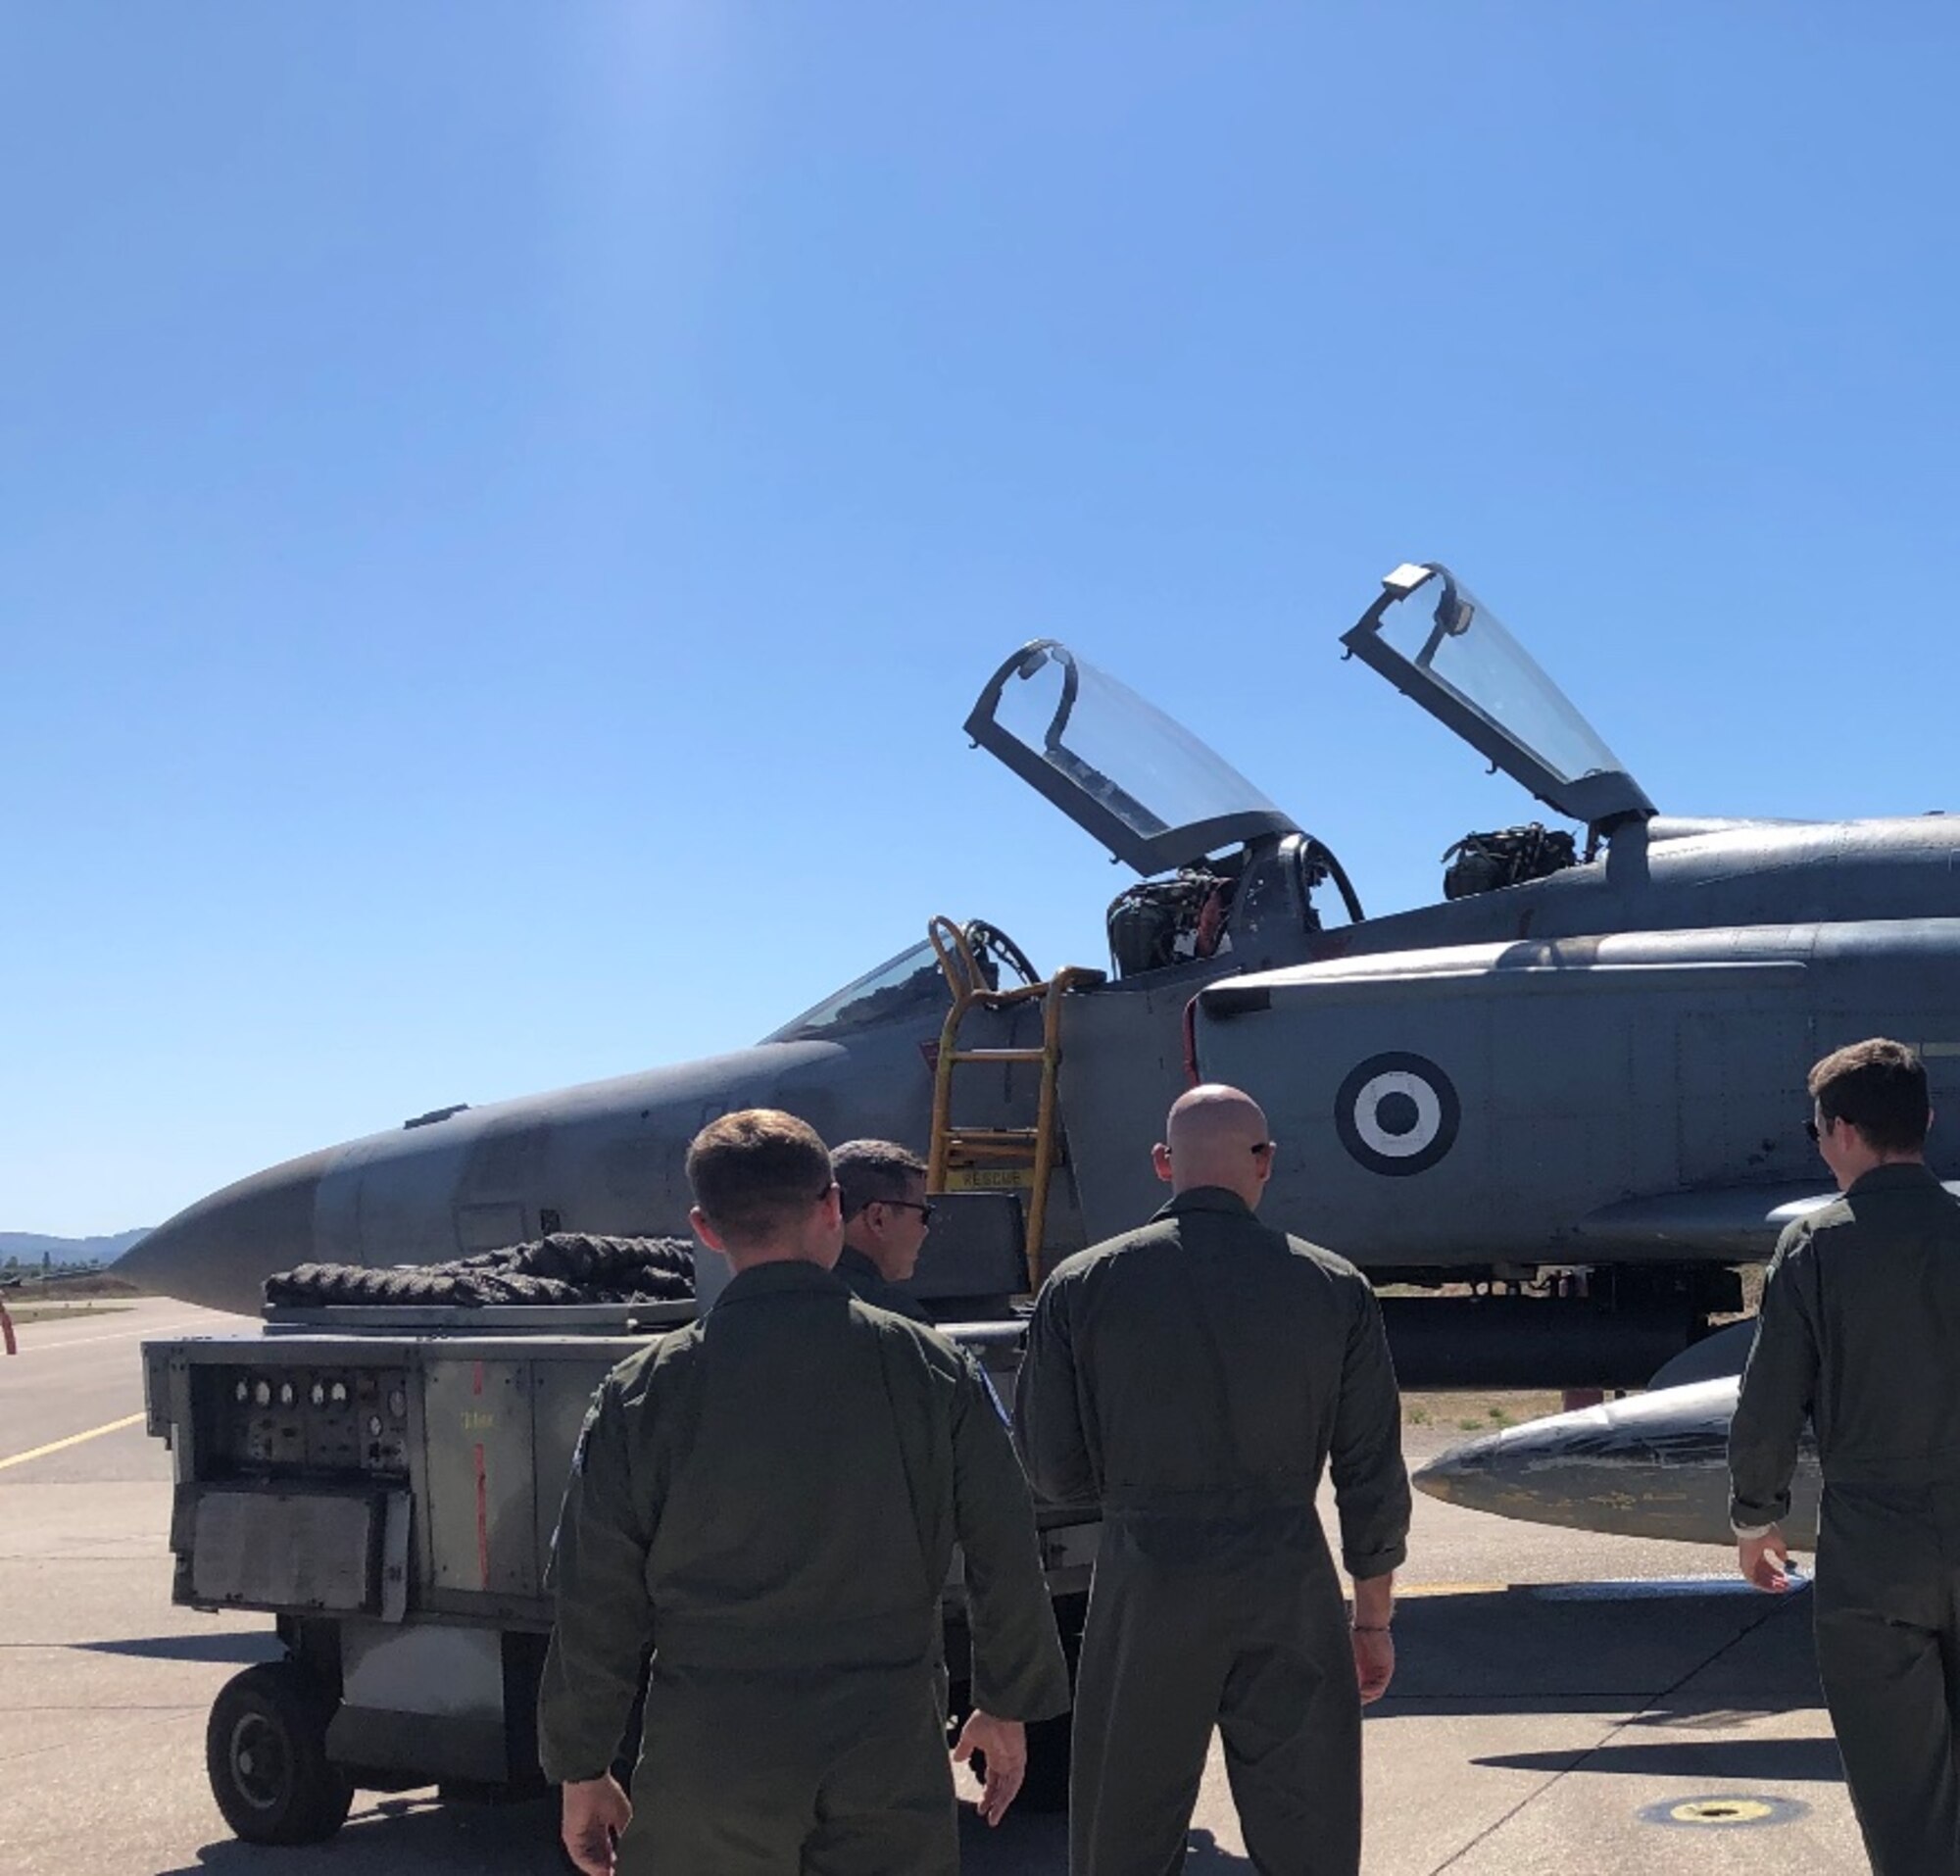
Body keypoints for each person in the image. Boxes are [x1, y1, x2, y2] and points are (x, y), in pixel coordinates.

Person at [538, 1109, 1070, 1876]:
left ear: (705, 1228)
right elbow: (1004, 1542)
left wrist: (582, 1767)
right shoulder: (932, 1370)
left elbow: (594, 1597)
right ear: (832, 1207)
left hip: (711, 1748)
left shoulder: (642, 1392)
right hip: (885, 1742)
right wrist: (1005, 1703)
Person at [1014, 1083, 1409, 1876]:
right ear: (1264, 1162)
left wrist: (1136, 1484)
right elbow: (1369, 1472)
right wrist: (1370, 1621)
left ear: (1164, 1164)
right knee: (1311, 1829)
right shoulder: (1334, 1287)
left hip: (1145, 1576)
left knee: (1121, 1828)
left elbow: (1050, 1471)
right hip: (1287, 1580)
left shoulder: (1082, 1286)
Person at [1730, 1038, 1960, 1875]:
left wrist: (1756, 1516)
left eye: (1818, 1130)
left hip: (1875, 1554)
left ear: (1843, 1130)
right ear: (1925, 1122)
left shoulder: (1815, 1245)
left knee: (1906, 1805)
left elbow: (1769, 1400)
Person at [830, 1138, 936, 1323]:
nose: (925, 1230)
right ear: (877, 1218)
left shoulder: (779, 1297)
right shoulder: (898, 1323)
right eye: (924, 1215)